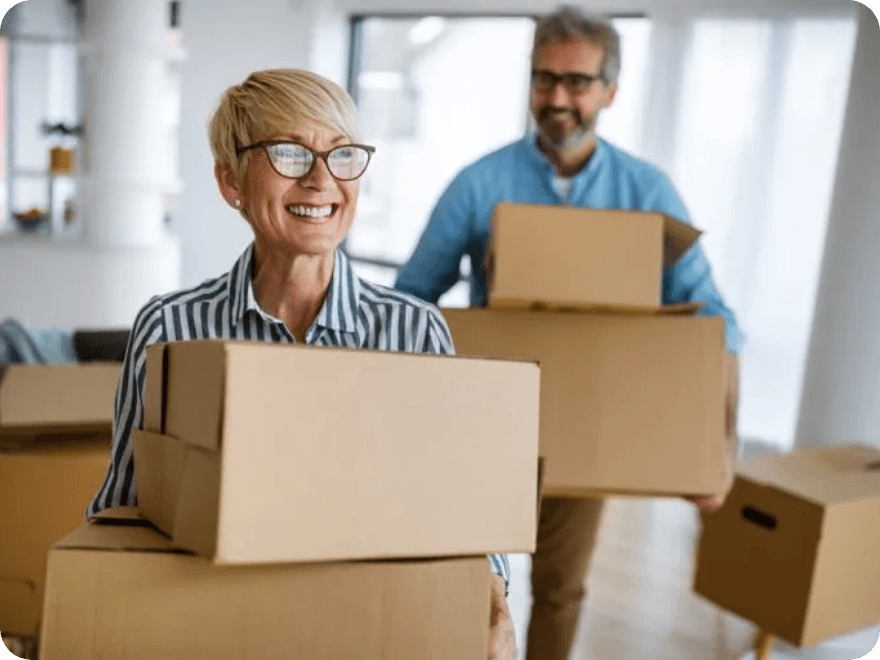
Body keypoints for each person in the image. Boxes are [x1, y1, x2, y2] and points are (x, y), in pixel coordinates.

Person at [86, 68, 517, 660]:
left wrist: (493, 600)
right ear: (229, 180)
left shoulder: (414, 331)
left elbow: (463, 509)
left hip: (371, 633)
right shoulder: (169, 330)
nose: (321, 179)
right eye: (290, 154)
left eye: (343, 155)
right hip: (213, 631)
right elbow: (123, 504)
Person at [394, 8, 743, 660]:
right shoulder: (480, 184)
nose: (558, 98)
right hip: (486, 422)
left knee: (559, 588)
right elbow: (413, 299)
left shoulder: (645, 191)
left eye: (577, 83)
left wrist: (714, 451)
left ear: (610, 90)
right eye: (544, 79)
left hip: (589, 427)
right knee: (466, 583)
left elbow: (715, 322)